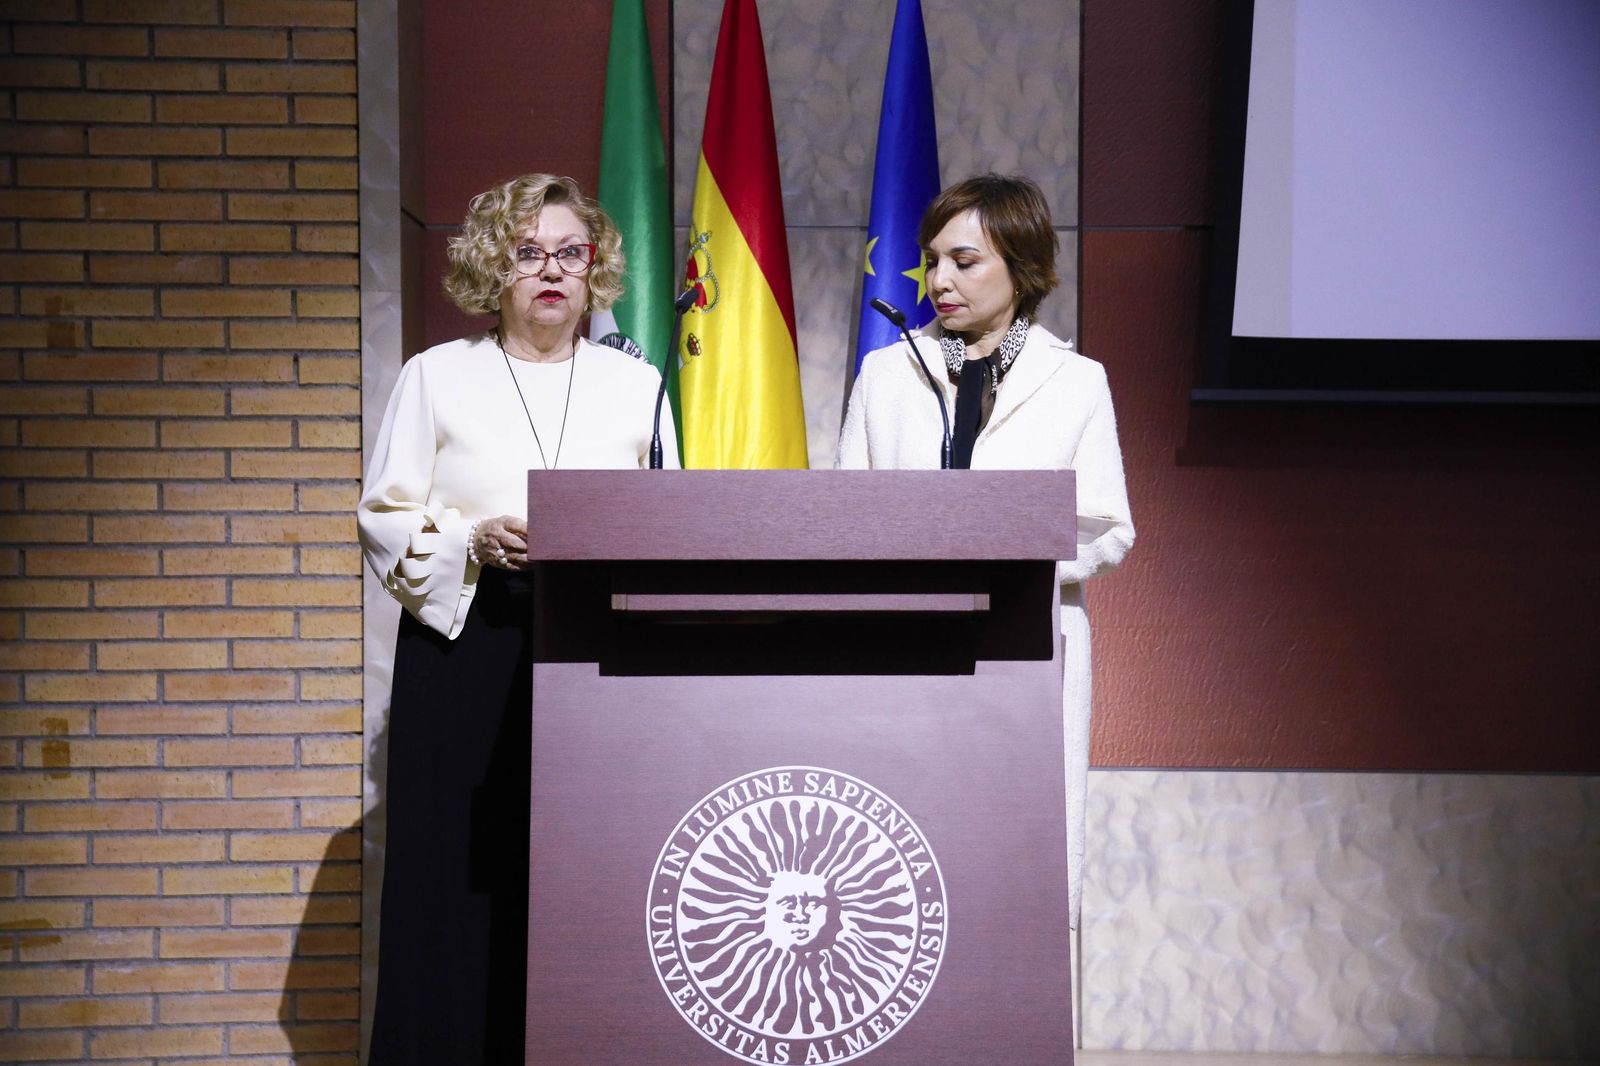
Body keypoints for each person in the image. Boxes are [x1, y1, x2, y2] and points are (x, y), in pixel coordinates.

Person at [358, 173, 677, 1064]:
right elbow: (382, 516)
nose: (551, 269)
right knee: (453, 875)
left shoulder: (638, 386)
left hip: (596, 653)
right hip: (467, 643)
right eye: (527, 251)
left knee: (584, 874)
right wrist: (468, 539)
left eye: (569, 252)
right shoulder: (436, 376)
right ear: (493, 269)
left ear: (595, 271)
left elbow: (669, 515)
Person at [836, 173, 1134, 928]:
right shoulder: (887, 373)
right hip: (906, 642)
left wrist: (1005, 550)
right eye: (932, 260)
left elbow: (1107, 527)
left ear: (1022, 265)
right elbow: (845, 512)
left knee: (1013, 868)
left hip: (1028, 642)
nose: (940, 280)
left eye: (964, 261)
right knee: (898, 858)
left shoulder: (1076, 382)